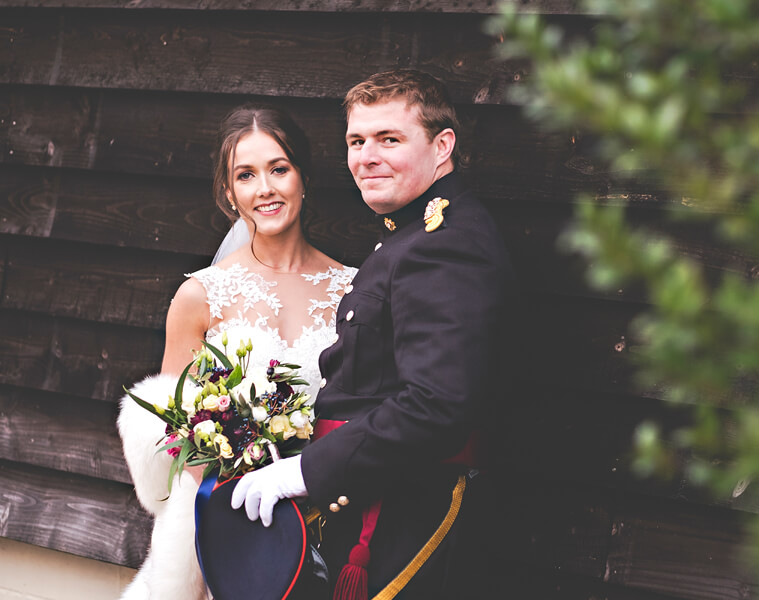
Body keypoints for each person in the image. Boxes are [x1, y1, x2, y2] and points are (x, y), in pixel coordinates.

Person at [231, 70, 514, 599]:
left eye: (389, 139)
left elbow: (435, 404)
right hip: (369, 503)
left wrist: (305, 472)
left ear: (442, 145)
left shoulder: (444, 244)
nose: (366, 156)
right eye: (356, 141)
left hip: (405, 516)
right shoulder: (410, 234)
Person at [117, 104, 356, 600]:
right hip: (212, 532)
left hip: (318, 522)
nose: (264, 188)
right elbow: (171, 436)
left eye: (279, 169)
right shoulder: (201, 296)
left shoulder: (351, 292)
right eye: (246, 175)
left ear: (303, 177)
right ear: (230, 194)